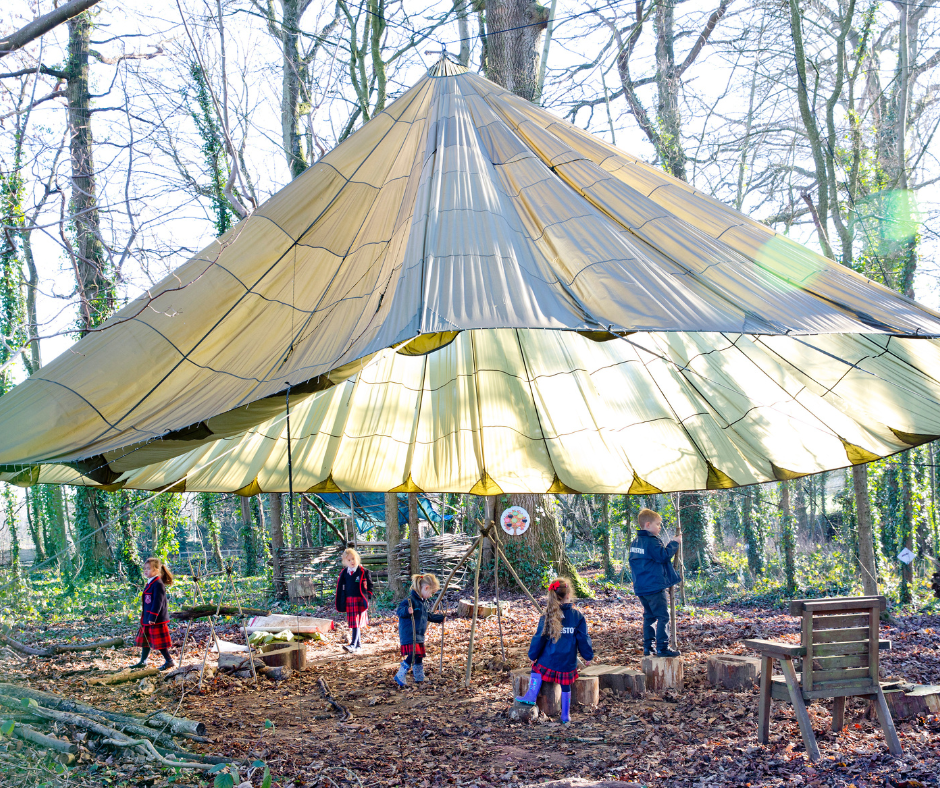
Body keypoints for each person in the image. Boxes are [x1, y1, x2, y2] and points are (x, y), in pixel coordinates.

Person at [515, 577, 593, 725]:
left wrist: (533, 656)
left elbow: (539, 638)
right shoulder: (577, 616)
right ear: (568, 595)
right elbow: (584, 638)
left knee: (536, 668)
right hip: (567, 664)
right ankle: (565, 715)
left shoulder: (547, 616)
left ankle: (531, 696)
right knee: (566, 685)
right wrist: (588, 656)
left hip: (548, 662)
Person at [628, 508, 682, 658]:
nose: (659, 527)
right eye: (657, 524)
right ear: (647, 525)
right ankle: (662, 648)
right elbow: (663, 556)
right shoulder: (650, 541)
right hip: (653, 587)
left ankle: (648, 647)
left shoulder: (635, 542)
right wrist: (674, 543)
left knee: (649, 616)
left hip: (641, 587)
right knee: (663, 616)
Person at [395, 573, 445, 687]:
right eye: (431, 592)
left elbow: (426, 615)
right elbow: (399, 611)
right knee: (413, 654)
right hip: (410, 633)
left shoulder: (422, 602)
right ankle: (400, 674)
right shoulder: (410, 600)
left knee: (419, 655)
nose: (431, 595)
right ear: (426, 588)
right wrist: (407, 611)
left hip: (418, 634)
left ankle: (419, 677)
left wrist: (440, 618)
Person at [132, 557, 175, 671]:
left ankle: (169, 660)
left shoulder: (158, 584)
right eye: (145, 569)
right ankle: (143, 661)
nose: (145, 571)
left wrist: (153, 616)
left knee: (159, 642)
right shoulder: (150, 582)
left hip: (155, 619)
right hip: (147, 618)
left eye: (148, 569)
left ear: (156, 570)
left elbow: (158, 602)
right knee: (146, 640)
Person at [335, 548, 374, 653]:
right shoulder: (344, 573)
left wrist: (368, 596)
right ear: (345, 562)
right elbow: (340, 587)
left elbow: (370, 586)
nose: (352, 561)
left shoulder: (363, 572)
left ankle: (352, 645)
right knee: (353, 623)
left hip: (360, 601)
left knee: (356, 623)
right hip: (349, 600)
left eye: (353, 559)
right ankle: (358, 646)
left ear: (357, 558)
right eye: (349, 560)